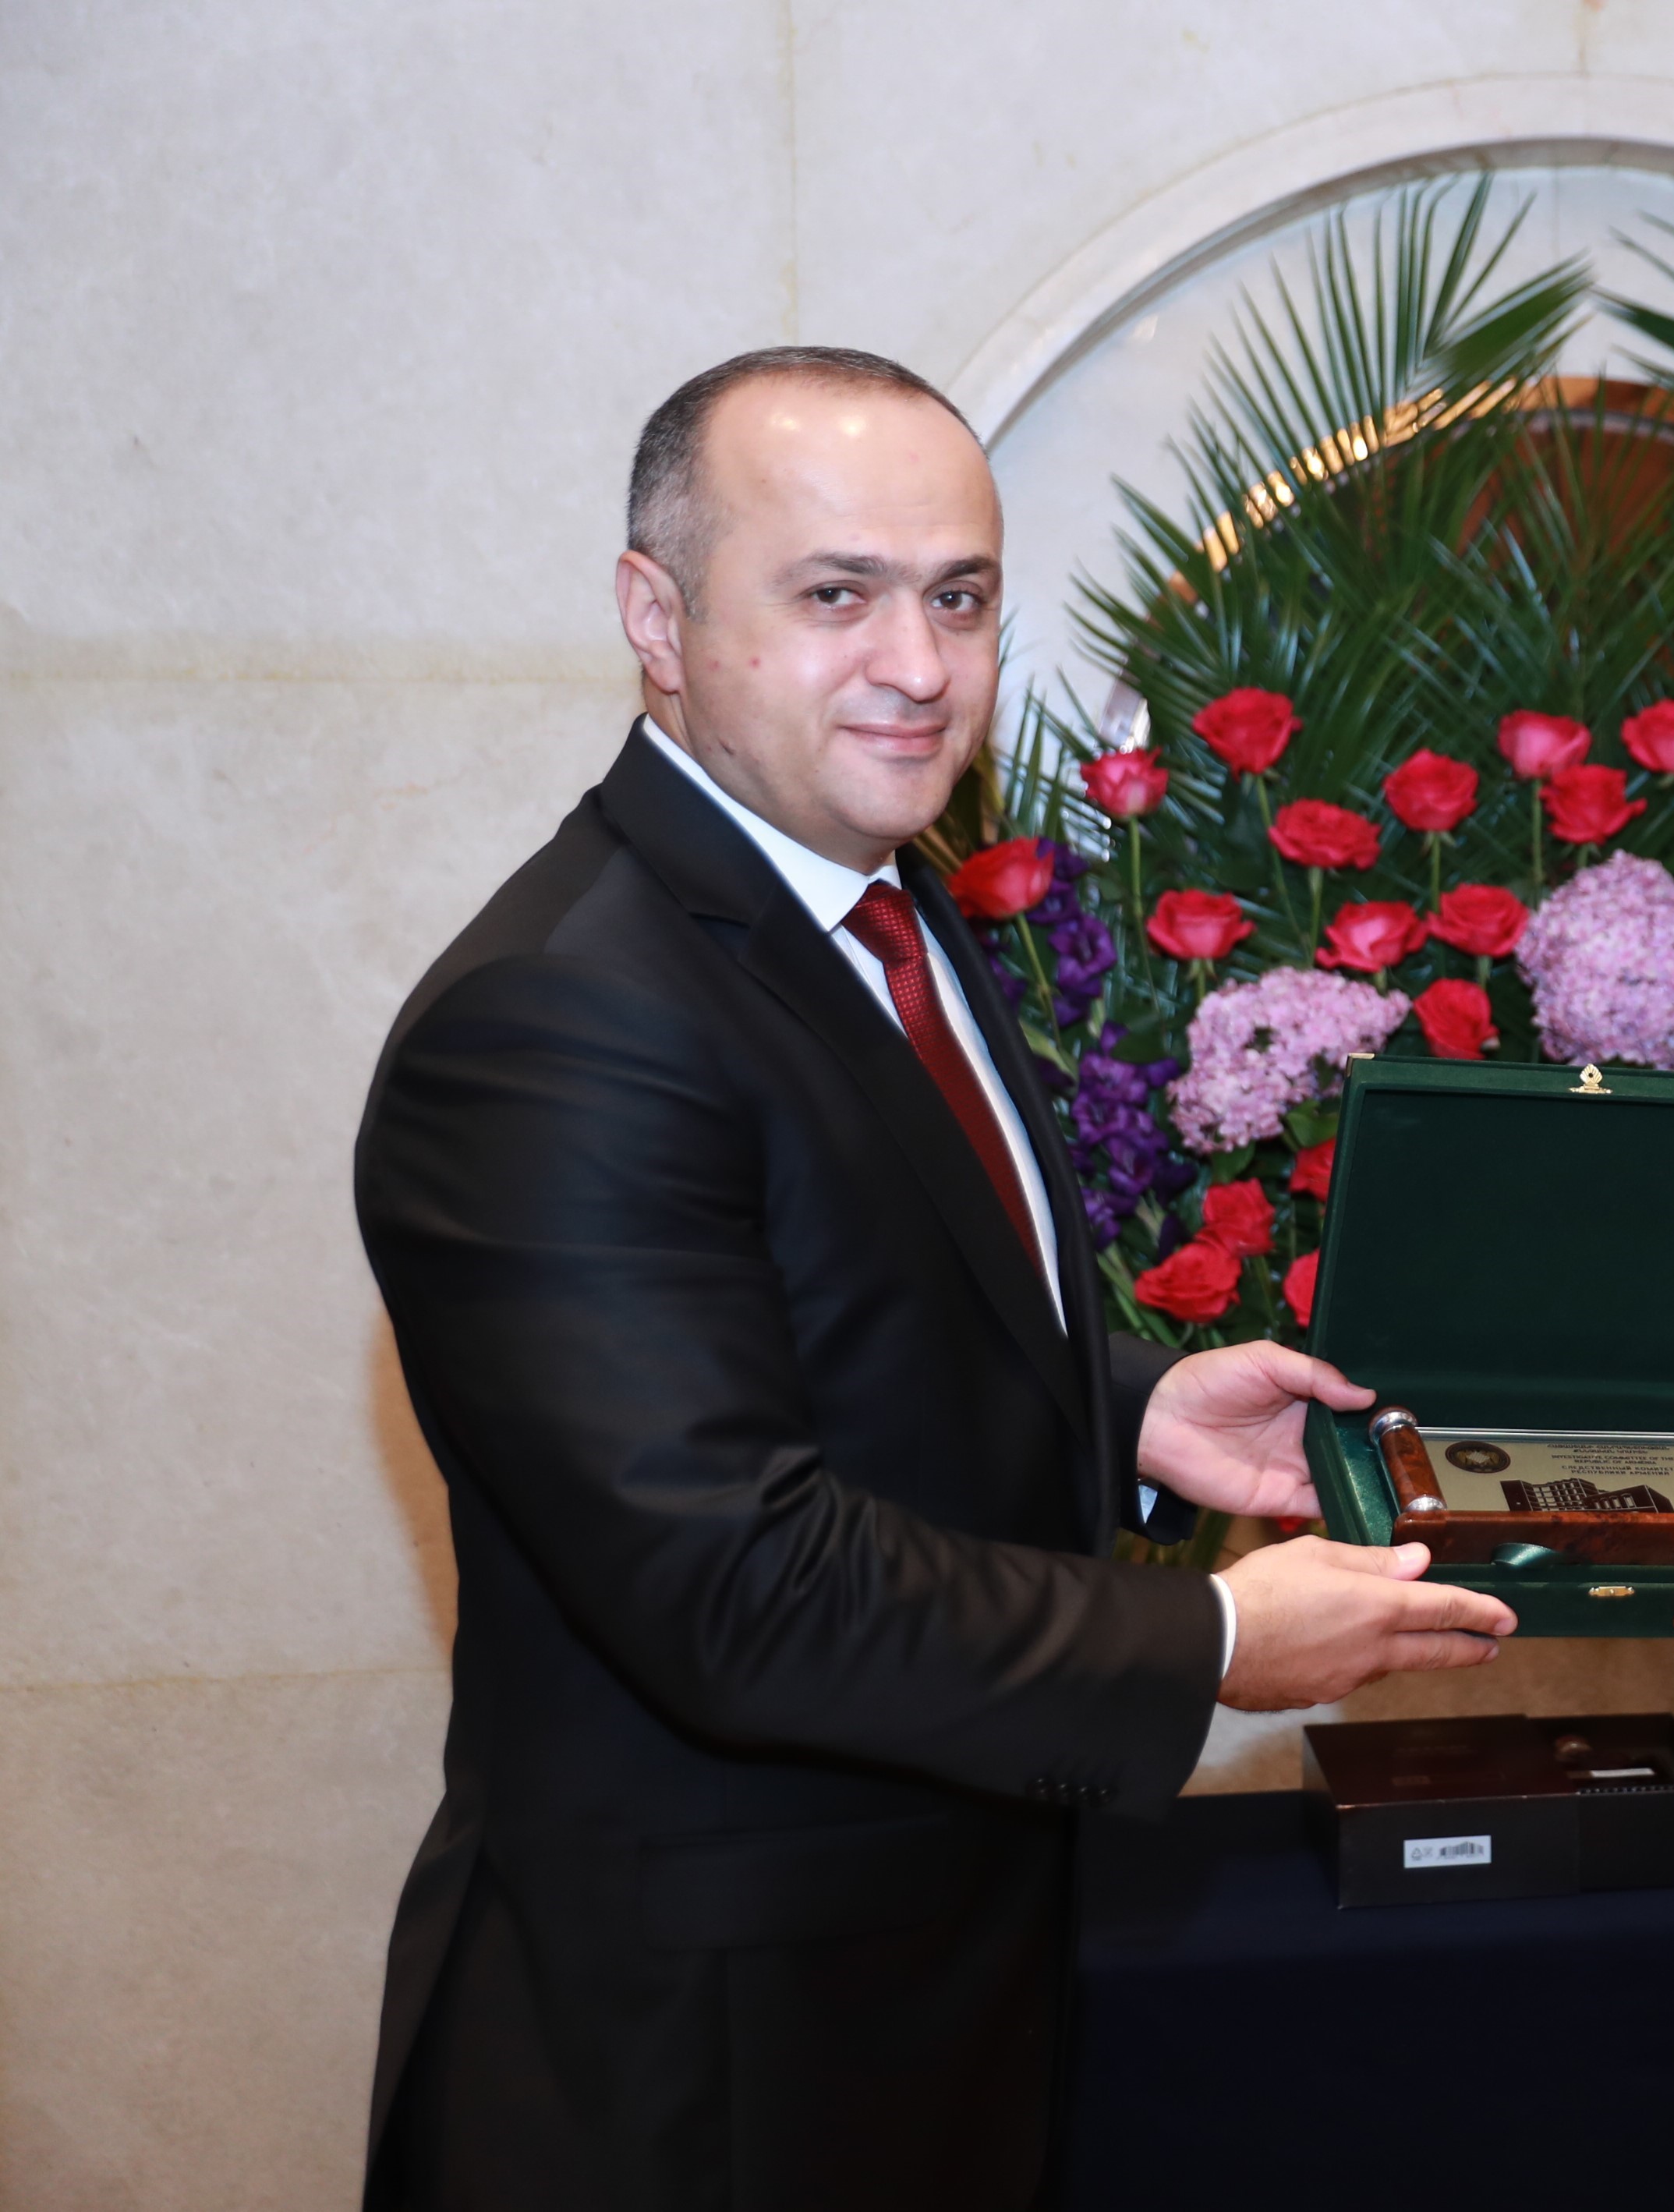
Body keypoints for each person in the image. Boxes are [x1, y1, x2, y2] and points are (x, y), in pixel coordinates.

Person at [352, 345, 1517, 2210]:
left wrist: (1138, 1412)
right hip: (699, 2079)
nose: (918, 664)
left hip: (925, 2006)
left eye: (959, 598)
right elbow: (736, 1586)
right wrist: (1215, 1645)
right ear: (656, 617)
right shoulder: (560, 1019)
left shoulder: (882, 906)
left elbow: (860, 1310)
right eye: (838, 595)